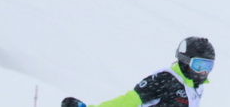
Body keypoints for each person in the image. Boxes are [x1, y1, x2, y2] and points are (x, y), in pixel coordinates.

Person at [61, 36, 215, 107]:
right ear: (185, 61)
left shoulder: (194, 86)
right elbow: (129, 101)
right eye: (199, 66)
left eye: (208, 67)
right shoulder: (165, 80)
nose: (203, 72)